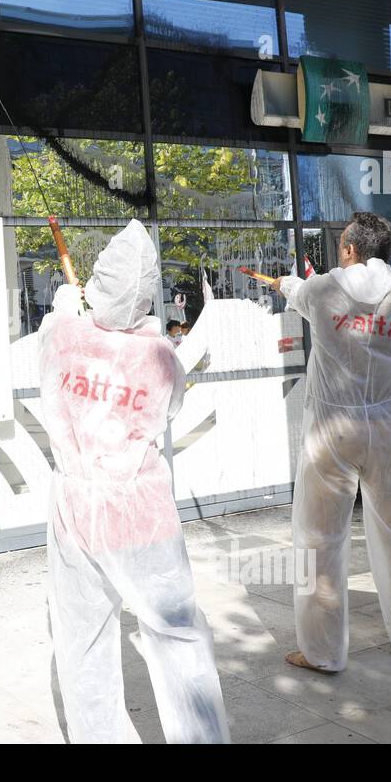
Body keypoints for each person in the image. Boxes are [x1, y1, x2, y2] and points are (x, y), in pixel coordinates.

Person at [38, 219, 229, 744]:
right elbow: (168, 410)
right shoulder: (161, 356)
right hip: (143, 513)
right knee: (177, 635)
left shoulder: (61, 336)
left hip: (76, 513)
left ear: (97, 281)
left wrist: (70, 308)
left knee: (83, 640)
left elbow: (53, 349)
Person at [272, 212, 391, 674]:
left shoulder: (324, 291)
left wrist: (288, 283)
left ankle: (322, 653)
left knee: (320, 540)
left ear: (349, 249)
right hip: (388, 428)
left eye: (342, 245)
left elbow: (298, 294)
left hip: (332, 430)